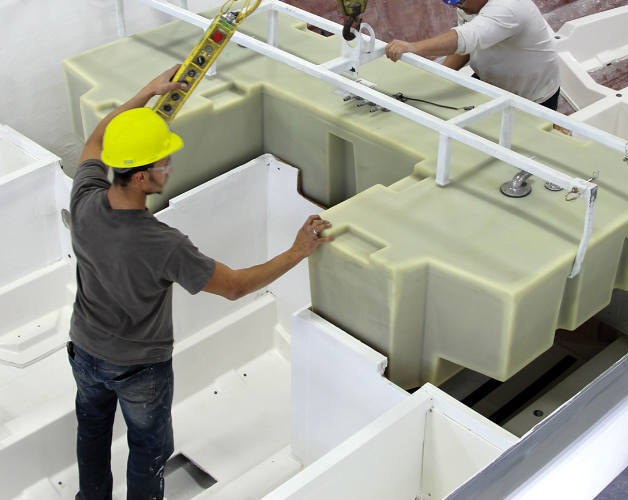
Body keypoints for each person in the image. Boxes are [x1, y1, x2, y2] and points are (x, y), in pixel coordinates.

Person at [67, 65, 333, 500]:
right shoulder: (162, 243)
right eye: (163, 162)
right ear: (141, 177)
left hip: (84, 351)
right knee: (148, 449)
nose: (169, 167)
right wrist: (297, 251)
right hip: (139, 367)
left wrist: (147, 91)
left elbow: (98, 138)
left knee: (92, 430)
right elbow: (234, 287)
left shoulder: (85, 199)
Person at [385, 0, 561, 110]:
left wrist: (413, 47)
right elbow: (466, 48)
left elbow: (466, 38)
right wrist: (438, 78)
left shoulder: (509, 7)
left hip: (531, 98)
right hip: (489, 83)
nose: (455, 6)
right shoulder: (468, 6)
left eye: (459, 0)